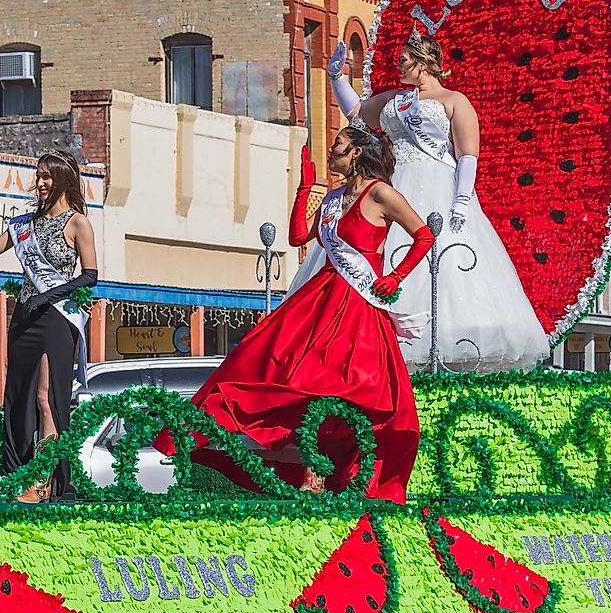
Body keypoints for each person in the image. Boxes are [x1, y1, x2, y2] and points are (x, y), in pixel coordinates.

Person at [156, 122, 434, 503]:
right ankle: (251, 447)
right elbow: (298, 237)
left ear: (356, 153)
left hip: (356, 306)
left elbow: (424, 235)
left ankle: (321, 471)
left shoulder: (380, 193)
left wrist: (396, 274)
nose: (331, 149)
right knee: (261, 360)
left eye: (337, 144)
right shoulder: (335, 198)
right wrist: (306, 187)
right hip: (321, 296)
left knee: (341, 385)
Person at [321, 29, 549, 372]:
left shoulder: (454, 101)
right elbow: (356, 114)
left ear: (423, 63)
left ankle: (439, 351)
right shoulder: (393, 100)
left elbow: (467, 155)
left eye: (404, 60)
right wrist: (337, 77)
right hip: (394, 187)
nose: (399, 65)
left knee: (447, 261)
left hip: (438, 189)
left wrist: (461, 200)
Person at [0, 152, 98, 503]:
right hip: (24, 317)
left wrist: (48, 297)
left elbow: (91, 275)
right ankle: (16, 476)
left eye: (47, 177)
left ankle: (42, 482)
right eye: (38, 176)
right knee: (19, 398)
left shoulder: (78, 224)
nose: (40, 183)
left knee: (46, 398)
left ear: (63, 180)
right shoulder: (25, 224)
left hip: (56, 317)